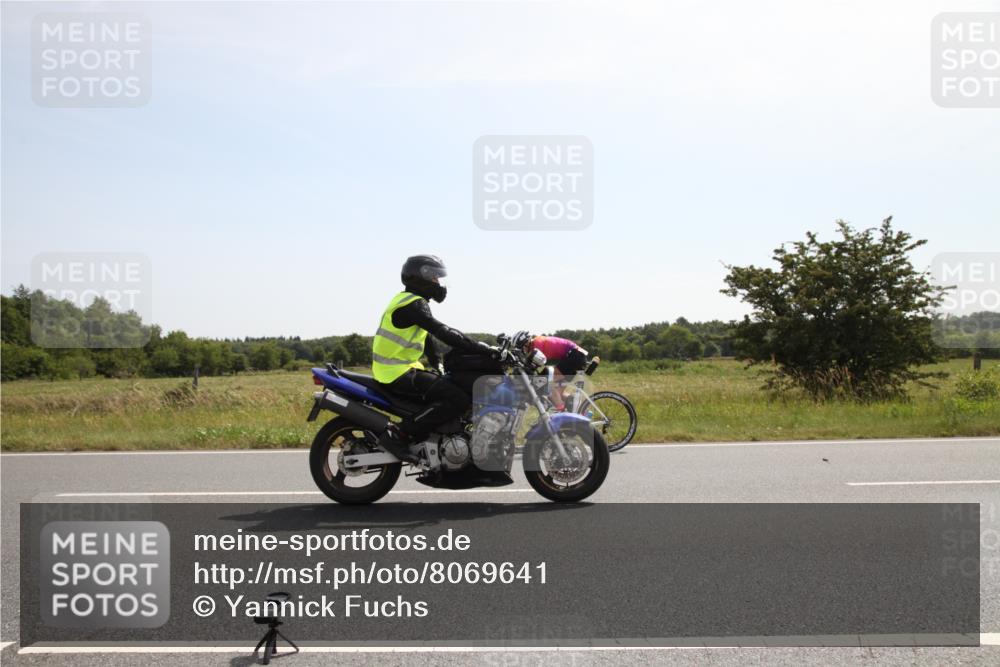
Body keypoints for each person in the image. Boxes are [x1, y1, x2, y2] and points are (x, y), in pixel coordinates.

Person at [372, 255, 497, 465]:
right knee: (458, 398)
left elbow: (427, 338)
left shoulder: (406, 301)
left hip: (400, 370)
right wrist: (482, 349)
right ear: (422, 277)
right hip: (396, 372)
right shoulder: (413, 304)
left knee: (447, 387)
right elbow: (443, 332)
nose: (438, 284)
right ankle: (399, 434)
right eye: (435, 279)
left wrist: (437, 364)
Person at [513, 331, 590, 410]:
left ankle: (562, 414)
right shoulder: (537, 342)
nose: (523, 351)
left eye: (522, 348)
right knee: (558, 394)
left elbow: (532, 367)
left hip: (574, 355)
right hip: (576, 356)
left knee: (549, 384)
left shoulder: (536, 344)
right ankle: (580, 411)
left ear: (526, 343)